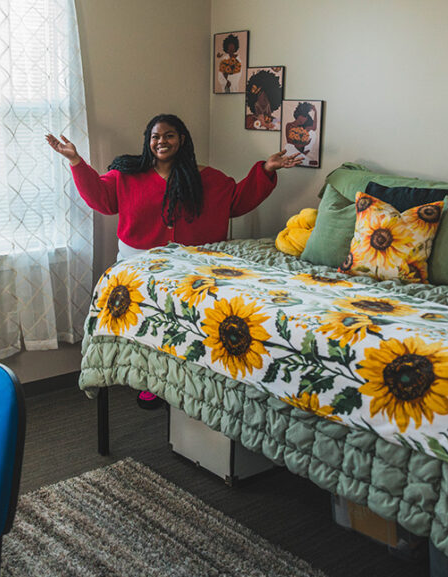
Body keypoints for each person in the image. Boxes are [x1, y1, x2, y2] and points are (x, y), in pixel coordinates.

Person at [46, 113, 299, 408]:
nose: (161, 141)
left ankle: (193, 379)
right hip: (138, 264)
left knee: (195, 323)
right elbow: (101, 199)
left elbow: (237, 200)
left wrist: (266, 170)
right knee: (146, 327)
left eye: (169, 135)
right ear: (148, 142)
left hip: (191, 266)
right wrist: (76, 161)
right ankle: (149, 378)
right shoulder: (127, 175)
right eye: (155, 136)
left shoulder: (207, 177)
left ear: (181, 140)